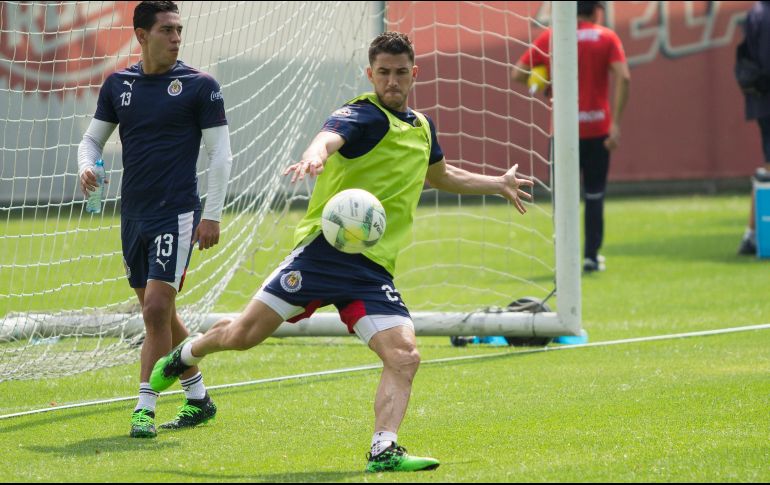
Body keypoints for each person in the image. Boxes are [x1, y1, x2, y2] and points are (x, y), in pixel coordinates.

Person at [149, 31, 533, 472]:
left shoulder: (423, 127)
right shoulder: (362, 114)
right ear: (370, 73)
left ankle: (384, 450)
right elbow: (328, 137)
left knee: (404, 355)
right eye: (383, 73)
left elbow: (441, 176)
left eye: (400, 72)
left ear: (415, 73)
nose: (392, 81)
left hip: (371, 269)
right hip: (322, 255)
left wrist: (497, 184)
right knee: (243, 336)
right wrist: (315, 156)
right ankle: (187, 354)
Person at [77, 1, 232, 438]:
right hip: (134, 214)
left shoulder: (201, 86)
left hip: (177, 213)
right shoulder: (118, 85)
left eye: (179, 29)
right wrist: (87, 166)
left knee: (157, 309)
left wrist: (212, 215)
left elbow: (220, 154)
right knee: (162, 317)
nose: (177, 38)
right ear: (142, 35)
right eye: (167, 30)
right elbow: (91, 141)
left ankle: (144, 407)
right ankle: (198, 398)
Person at [512, 0, 631, 272]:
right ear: (596, 10)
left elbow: (517, 73)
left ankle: (564, 257)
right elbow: (624, 78)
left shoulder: (552, 37)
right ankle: (591, 256)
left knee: (563, 198)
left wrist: (545, 81)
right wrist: (616, 125)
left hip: (563, 131)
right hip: (598, 129)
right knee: (594, 194)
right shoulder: (607, 37)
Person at [737, 1, 770, 256]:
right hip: (767, 98)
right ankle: (752, 235)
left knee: (768, 167)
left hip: (761, 100)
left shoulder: (756, 13)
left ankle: (751, 234)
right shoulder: (763, 14)